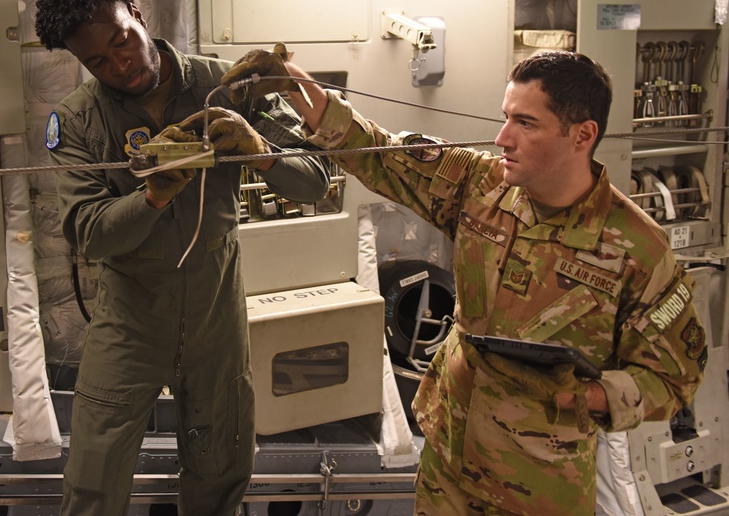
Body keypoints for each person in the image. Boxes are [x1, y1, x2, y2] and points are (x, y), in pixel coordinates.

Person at [220, 49, 707, 515]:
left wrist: (588, 399)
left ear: (582, 136)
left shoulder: (637, 248)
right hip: (448, 462)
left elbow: (676, 376)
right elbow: (379, 153)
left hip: (540, 489)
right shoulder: (480, 185)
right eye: (506, 116)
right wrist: (295, 81)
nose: (502, 137)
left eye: (526, 123)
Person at [34, 0, 329, 516]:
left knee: (220, 467)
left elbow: (314, 180)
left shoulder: (226, 85)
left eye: (123, 40)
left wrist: (257, 148)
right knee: (93, 474)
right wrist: (153, 196)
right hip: (131, 315)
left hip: (215, 304)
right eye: (96, 60)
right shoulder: (78, 121)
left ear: (139, 15)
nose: (119, 64)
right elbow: (92, 235)